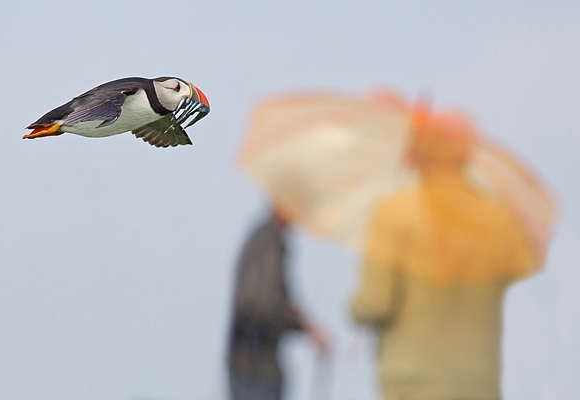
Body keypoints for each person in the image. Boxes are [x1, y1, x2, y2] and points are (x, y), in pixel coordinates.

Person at [350, 109, 537, 400]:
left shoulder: (395, 212)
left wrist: (356, 309)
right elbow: (523, 264)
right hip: (478, 379)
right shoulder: (496, 216)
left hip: (412, 378)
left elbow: (376, 303)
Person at [227, 207, 328, 400]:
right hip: (256, 364)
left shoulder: (267, 240)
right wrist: (305, 328)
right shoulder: (269, 243)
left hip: (249, 360)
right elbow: (265, 306)